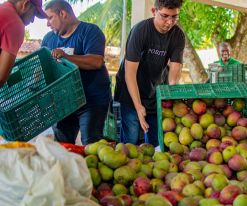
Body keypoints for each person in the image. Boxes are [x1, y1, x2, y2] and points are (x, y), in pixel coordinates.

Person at [115, 0, 185, 146]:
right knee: (131, 140)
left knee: (156, 142)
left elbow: (174, 71)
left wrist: (172, 96)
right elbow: (130, 73)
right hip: (130, 91)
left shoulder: (178, 35)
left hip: (155, 92)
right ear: (154, 11)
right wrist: (138, 106)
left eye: (174, 17)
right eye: (165, 16)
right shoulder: (140, 30)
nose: (169, 22)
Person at [42, 0, 111, 145]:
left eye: (50, 18)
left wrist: (65, 57)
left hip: (92, 101)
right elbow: (43, 68)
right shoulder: (48, 40)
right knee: (61, 146)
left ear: (63, 13)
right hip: (64, 103)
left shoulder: (90, 31)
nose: (48, 24)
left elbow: (96, 61)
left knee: (91, 144)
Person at [0, 0, 47, 87]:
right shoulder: (15, 23)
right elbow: (1, 78)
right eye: (34, 14)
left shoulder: (3, 8)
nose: (33, 20)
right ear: (26, 4)